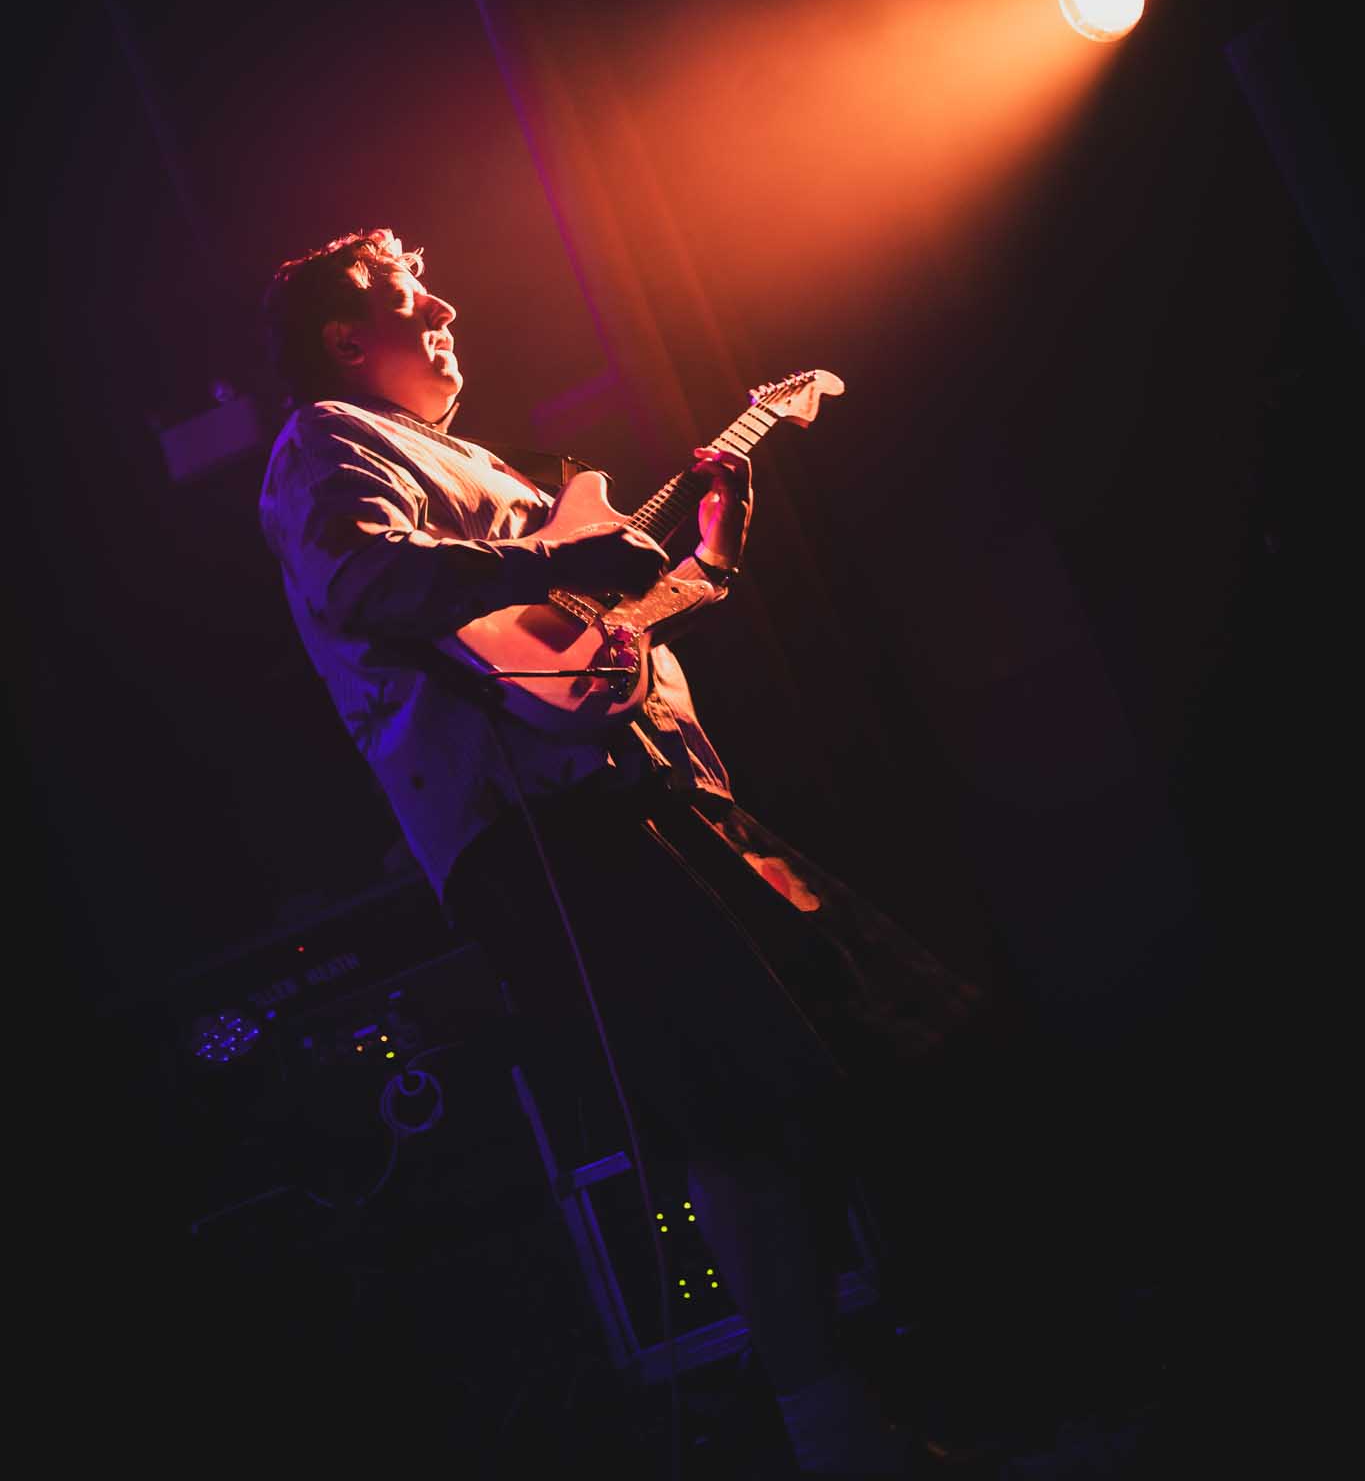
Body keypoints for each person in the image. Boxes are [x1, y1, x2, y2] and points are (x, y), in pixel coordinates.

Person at [259, 226, 981, 1473]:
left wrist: (703, 563)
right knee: (738, 1107)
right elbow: (365, 581)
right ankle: (839, 1434)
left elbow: (580, 647)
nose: (445, 305)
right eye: (410, 294)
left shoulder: (483, 465)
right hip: (546, 832)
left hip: (641, 794)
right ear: (344, 336)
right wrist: (563, 553)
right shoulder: (329, 439)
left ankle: (878, 1401)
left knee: (834, 1057)